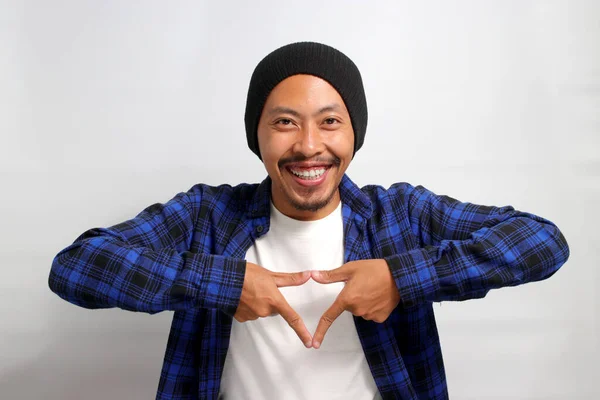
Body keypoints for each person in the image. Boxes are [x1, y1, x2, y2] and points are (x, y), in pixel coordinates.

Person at [48, 41, 570, 400]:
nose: (308, 146)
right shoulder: (207, 215)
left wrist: (400, 278)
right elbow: (76, 266)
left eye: (329, 122)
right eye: (284, 123)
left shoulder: (400, 215)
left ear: (353, 135)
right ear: (258, 136)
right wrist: (223, 284)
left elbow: (541, 240)